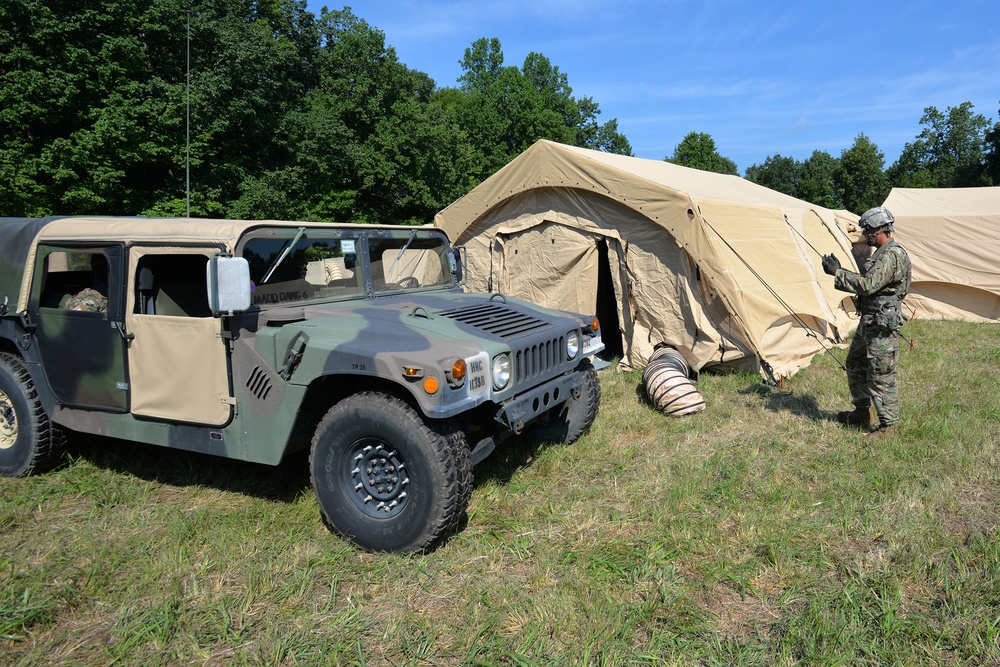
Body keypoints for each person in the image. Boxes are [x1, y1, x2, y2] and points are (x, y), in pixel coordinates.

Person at [822, 207, 911, 437]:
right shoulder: (881, 253)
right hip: (870, 322)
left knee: (881, 376)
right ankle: (862, 412)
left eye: (868, 231)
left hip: (881, 326)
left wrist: (837, 272)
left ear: (881, 229)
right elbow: (869, 282)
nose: (866, 236)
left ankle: (888, 426)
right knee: (855, 363)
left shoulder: (892, 255)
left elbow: (868, 285)